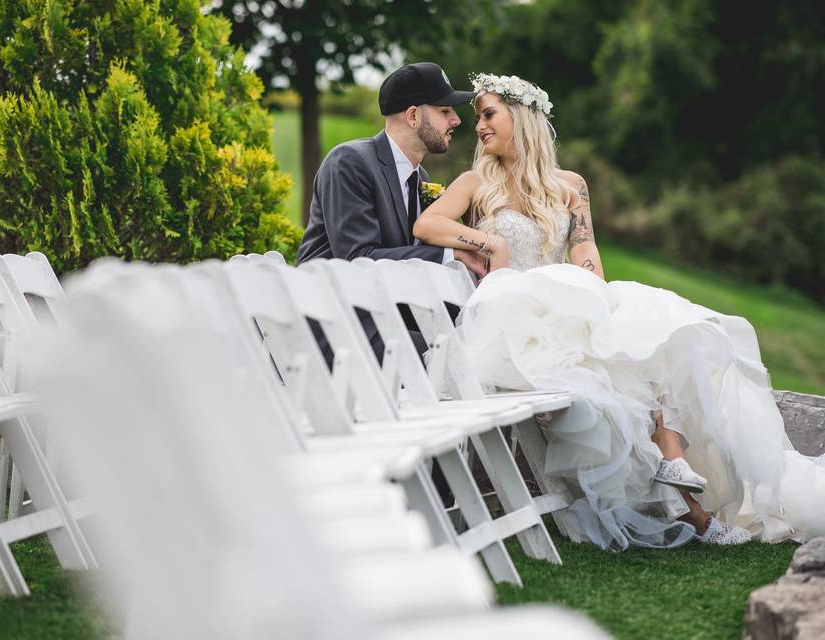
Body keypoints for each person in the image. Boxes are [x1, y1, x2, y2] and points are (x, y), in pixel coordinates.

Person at [412, 72, 825, 549]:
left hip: (568, 309)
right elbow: (428, 223)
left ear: (521, 118)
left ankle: (677, 469)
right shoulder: (475, 182)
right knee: (619, 381)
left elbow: (585, 251)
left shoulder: (569, 186)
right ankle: (695, 513)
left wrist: (598, 297)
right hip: (518, 324)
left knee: (660, 338)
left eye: (488, 114)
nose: (478, 126)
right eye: (477, 117)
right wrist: (489, 240)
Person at [298, 62, 484, 361]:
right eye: (445, 110)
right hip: (337, 324)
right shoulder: (349, 162)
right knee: (461, 357)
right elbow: (358, 259)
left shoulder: (421, 179)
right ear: (413, 116)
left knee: (480, 339)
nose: (456, 120)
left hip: (389, 318)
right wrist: (453, 254)